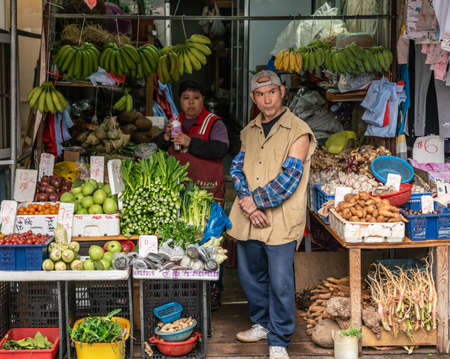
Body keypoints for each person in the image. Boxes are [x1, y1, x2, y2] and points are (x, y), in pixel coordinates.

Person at [228, 70, 316, 359]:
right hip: (248, 215)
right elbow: (236, 168)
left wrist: (254, 202)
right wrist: (245, 200)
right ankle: (262, 323)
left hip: (279, 218)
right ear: (254, 98)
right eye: (260, 94)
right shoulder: (249, 131)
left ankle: (279, 337)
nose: (267, 99)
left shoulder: (298, 130)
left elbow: (289, 178)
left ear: (282, 93)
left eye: (272, 92)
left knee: (280, 281)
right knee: (251, 274)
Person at [155, 80, 229, 309]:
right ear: (180, 101)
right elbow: (157, 147)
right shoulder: (174, 123)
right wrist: (165, 138)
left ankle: (213, 292)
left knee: (211, 244)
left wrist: (190, 142)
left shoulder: (213, 122)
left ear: (202, 100)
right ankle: (184, 292)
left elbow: (221, 149)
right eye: (186, 98)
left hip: (207, 195)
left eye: (195, 98)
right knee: (181, 246)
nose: (191, 103)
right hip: (179, 195)